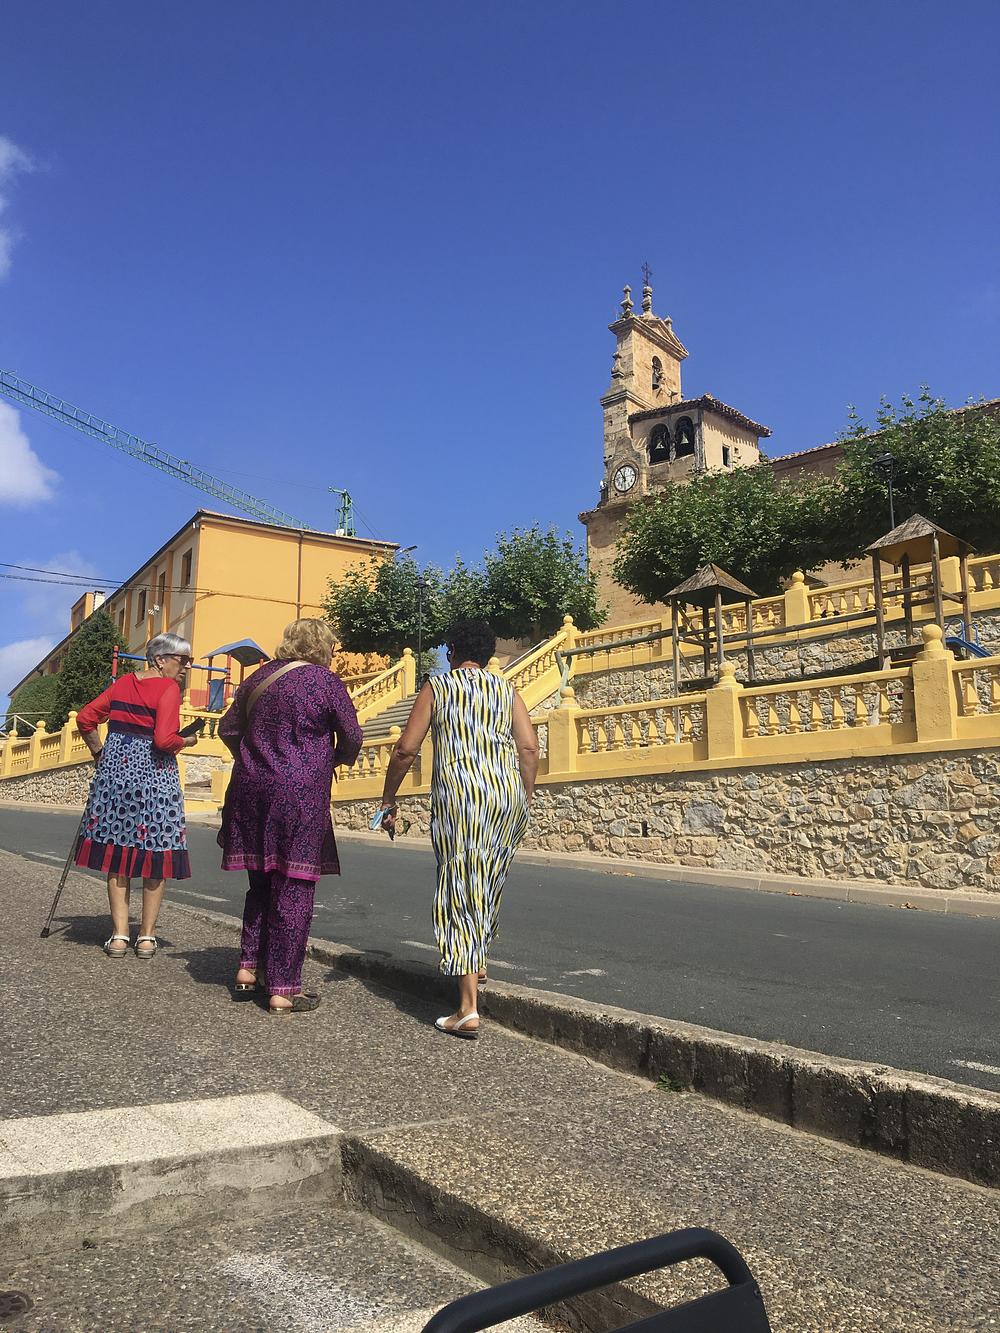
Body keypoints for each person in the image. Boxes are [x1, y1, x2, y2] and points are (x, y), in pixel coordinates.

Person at [377, 618, 539, 1039]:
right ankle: (477, 960)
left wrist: (388, 798)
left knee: (460, 886)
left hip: (462, 798)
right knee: (487, 879)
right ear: (487, 653)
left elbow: (406, 749)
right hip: (506, 797)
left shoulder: (439, 687)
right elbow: (528, 747)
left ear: (451, 651)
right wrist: (525, 795)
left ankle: (467, 1009)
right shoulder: (507, 690)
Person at [218, 617, 363, 1014]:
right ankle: (283, 988)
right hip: (299, 794)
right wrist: (332, 759)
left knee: (260, 880)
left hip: (251, 787)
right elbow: (352, 736)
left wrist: (254, 758)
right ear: (323, 647)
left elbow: (228, 729)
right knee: (294, 886)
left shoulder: (258, 677)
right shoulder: (324, 681)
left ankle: (250, 966)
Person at [76, 633, 198, 959]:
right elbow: (164, 740)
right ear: (160, 659)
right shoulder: (168, 689)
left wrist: (99, 753)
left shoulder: (121, 685)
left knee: (118, 854)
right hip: (155, 781)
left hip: (115, 779)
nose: (187, 667)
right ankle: (146, 937)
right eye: (182, 659)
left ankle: (119, 936)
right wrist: (187, 741)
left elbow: (85, 718)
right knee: (155, 854)